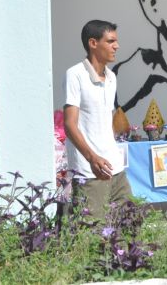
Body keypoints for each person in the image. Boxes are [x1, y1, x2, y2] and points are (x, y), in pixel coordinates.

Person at [63, 20, 132, 216]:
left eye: (116, 41)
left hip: (115, 168)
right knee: (92, 231)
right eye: (110, 41)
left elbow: (107, 119)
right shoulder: (75, 74)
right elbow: (69, 125)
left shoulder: (111, 77)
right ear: (93, 43)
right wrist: (92, 158)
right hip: (89, 171)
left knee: (129, 223)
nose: (116, 46)